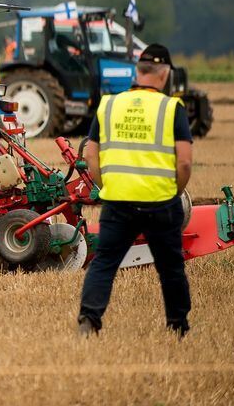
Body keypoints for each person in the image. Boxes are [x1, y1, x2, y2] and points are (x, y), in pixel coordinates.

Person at [78, 43, 195, 337]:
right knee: (171, 268)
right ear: (165, 73)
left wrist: (108, 186)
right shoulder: (172, 108)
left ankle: (89, 319)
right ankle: (178, 327)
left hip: (118, 202)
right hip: (160, 202)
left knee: (105, 262)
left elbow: (91, 156)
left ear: (138, 72)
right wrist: (173, 192)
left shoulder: (109, 105)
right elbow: (184, 164)